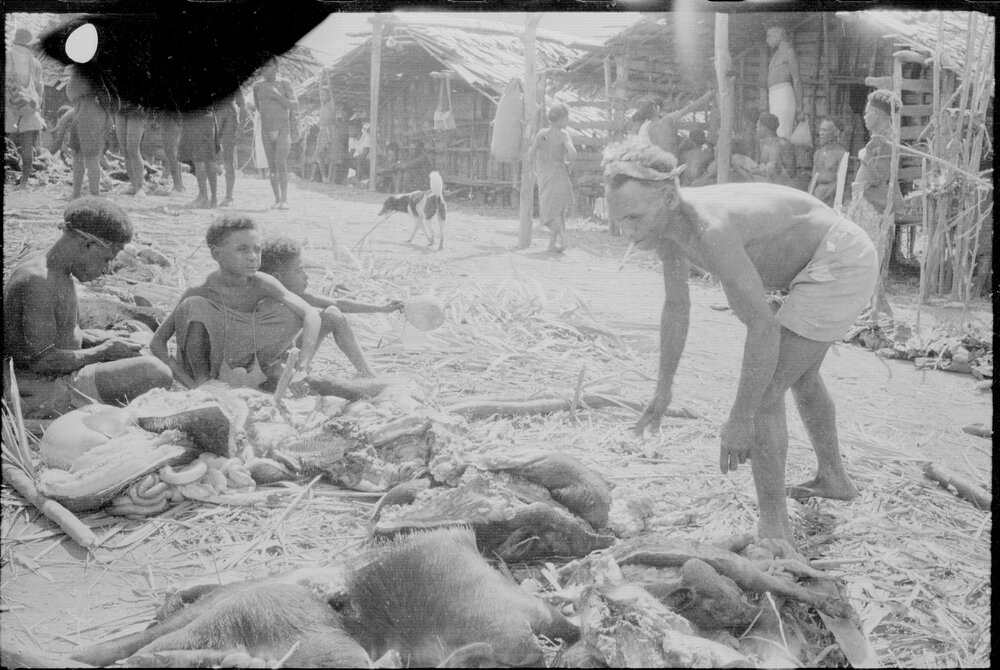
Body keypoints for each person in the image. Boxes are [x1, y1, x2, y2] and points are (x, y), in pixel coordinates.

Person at [603, 138, 877, 549]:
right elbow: (676, 306)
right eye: (619, 220)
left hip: (839, 259)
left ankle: (774, 529)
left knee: (765, 392)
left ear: (667, 195)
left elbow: (762, 328)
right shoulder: (667, 224)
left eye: (634, 218)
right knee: (800, 377)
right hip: (828, 253)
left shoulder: (711, 231)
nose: (627, 231)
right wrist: (664, 388)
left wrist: (739, 419)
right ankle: (834, 478)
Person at [3, 198, 174, 419]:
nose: (105, 270)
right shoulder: (39, 281)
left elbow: (54, 331)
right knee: (156, 373)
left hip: (59, 371)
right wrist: (102, 351)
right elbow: (41, 360)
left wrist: (93, 338)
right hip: (40, 387)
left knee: (142, 343)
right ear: (87, 245)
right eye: (106, 259)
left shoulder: (56, 267)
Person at [150, 216, 320, 390]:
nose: (253, 257)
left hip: (244, 366)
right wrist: (189, 384)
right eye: (243, 250)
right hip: (207, 373)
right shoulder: (201, 289)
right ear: (217, 254)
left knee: (288, 312)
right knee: (193, 305)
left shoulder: (263, 283)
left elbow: (311, 314)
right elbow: (157, 343)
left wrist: (302, 367)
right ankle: (204, 382)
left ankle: (261, 370)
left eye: (257, 249)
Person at [259, 237, 404, 378]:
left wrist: (381, 308)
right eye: (299, 271)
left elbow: (336, 303)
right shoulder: (261, 300)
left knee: (332, 314)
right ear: (277, 277)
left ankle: (367, 372)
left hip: (290, 358)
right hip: (264, 367)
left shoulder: (298, 296)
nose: (306, 276)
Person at [845, 89, 906, 316]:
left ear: (879, 115)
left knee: (867, 254)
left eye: (867, 113)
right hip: (867, 200)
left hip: (873, 204)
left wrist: (863, 158)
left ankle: (871, 306)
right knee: (864, 253)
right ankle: (871, 304)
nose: (864, 117)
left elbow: (879, 174)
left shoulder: (887, 140)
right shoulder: (880, 138)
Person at [528, 103, 577, 253]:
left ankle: (563, 239)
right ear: (560, 120)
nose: (568, 121)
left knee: (549, 212)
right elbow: (573, 153)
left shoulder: (542, 134)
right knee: (558, 211)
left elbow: (531, 153)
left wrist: (533, 171)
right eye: (567, 118)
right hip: (561, 175)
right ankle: (552, 245)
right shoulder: (563, 134)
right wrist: (570, 166)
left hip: (546, 176)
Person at [252, 60, 298, 209]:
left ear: (276, 67)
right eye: (262, 67)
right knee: (272, 166)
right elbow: (259, 108)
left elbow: (294, 105)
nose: (264, 69)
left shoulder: (284, 83)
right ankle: (277, 199)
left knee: (280, 161)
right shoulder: (257, 86)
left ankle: (285, 200)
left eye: (267, 66)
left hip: (283, 128)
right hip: (266, 129)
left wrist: (278, 96)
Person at [5, 28, 47, 188]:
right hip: (29, 107)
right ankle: (24, 181)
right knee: (27, 145)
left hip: (8, 105)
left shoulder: (7, 56)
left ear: (15, 40)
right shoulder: (35, 63)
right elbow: (39, 90)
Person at [64, 64, 113, 199]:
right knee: (77, 153)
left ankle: (94, 195)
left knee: (90, 156)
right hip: (79, 109)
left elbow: (104, 93)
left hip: (89, 109)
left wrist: (108, 116)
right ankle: (76, 193)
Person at [178, 108, 220, 208]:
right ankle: (209, 198)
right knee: (208, 158)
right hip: (207, 116)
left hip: (198, 116)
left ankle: (205, 197)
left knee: (200, 160)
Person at [766, 24, 802, 140]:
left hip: (784, 95)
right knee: (775, 131)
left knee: (783, 132)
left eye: (769, 35)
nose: (768, 40)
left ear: (778, 33)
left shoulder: (789, 52)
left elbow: (797, 80)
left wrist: (800, 107)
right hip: (773, 95)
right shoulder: (776, 54)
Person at [215, 88, 247, 206]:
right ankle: (208, 196)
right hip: (213, 115)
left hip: (228, 116)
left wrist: (240, 129)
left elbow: (243, 105)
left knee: (228, 159)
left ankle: (229, 197)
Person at [807, 117, 847, 208]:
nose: (820, 133)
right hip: (816, 196)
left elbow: (839, 181)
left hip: (831, 198)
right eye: (820, 130)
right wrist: (809, 195)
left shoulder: (841, 153)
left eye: (825, 130)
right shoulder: (818, 153)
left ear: (836, 132)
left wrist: (825, 199)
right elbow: (813, 178)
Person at [756, 112, 796, 187]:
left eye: (758, 127)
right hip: (768, 186)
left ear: (764, 129)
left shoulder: (783, 143)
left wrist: (777, 168)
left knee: (771, 166)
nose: (757, 130)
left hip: (782, 187)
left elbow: (792, 172)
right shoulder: (764, 146)